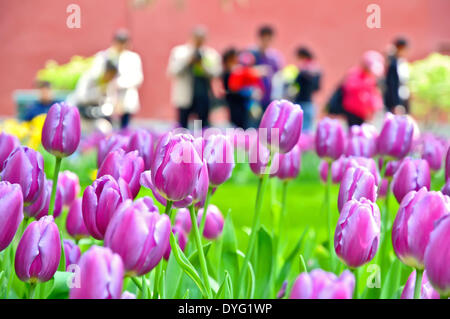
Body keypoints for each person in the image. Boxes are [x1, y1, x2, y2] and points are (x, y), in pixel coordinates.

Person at [78, 29, 143, 128]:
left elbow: (137, 78)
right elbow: (96, 75)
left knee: (124, 128)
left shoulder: (133, 58)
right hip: (107, 98)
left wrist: (119, 83)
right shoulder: (104, 56)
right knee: (107, 125)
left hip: (125, 97)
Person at [167, 26, 222, 128]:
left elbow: (216, 73)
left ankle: (199, 143)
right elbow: (172, 71)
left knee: (201, 125)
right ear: (191, 37)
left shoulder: (210, 54)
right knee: (182, 125)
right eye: (197, 37)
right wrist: (188, 61)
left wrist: (202, 65)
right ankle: (182, 143)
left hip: (203, 95)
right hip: (185, 95)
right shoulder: (180, 52)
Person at [222, 48, 263, 129]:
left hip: (244, 105)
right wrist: (247, 92)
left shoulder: (239, 72)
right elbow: (232, 89)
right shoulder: (229, 74)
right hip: (235, 105)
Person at [341, 50, 385, 127]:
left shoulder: (371, 78)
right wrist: (366, 84)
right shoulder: (355, 74)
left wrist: (374, 108)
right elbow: (349, 87)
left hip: (367, 113)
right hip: (354, 111)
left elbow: (374, 95)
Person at [249, 25, 283, 114]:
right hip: (253, 98)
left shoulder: (274, 57)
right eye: (265, 38)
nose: (267, 42)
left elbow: (279, 75)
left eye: (269, 39)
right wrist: (256, 71)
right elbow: (242, 72)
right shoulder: (251, 54)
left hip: (270, 97)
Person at [292, 47, 321, 132]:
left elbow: (296, 83)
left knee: (297, 130)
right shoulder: (316, 69)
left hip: (300, 102)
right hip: (310, 103)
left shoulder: (303, 69)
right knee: (307, 131)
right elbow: (317, 88)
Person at [384, 37, 410, 114]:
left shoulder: (403, 61)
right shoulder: (393, 64)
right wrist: (395, 104)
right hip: (396, 100)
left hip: (404, 97)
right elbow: (392, 84)